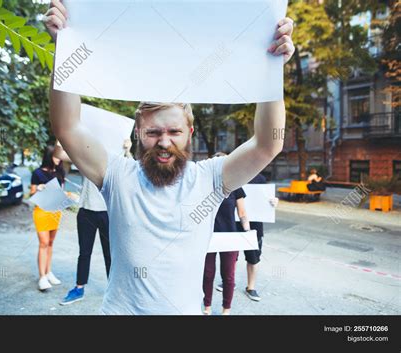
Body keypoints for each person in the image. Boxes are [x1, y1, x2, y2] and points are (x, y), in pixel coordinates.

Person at [45, 1, 295, 314]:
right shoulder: (116, 176)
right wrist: (64, 47)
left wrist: (272, 69)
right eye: (153, 133)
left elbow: (267, 145)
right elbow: (66, 126)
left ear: (189, 131)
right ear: (138, 132)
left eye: (174, 132)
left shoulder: (211, 178)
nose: (164, 143)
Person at [54, 140, 132, 305]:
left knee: (110, 254)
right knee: (84, 253)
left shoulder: (115, 161)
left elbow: (133, 170)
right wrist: (60, 139)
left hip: (107, 213)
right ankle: (79, 289)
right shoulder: (86, 159)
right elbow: (60, 154)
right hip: (86, 212)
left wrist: (127, 150)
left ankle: (115, 291)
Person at [202, 152, 250, 315]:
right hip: (208, 237)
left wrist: (248, 232)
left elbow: (242, 213)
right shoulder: (205, 185)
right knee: (207, 274)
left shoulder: (236, 187)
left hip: (230, 238)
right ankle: (207, 308)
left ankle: (226, 310)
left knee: (228, 276)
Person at [234, 173, 278, 302]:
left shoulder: (260, 178)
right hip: (234, 221)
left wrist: (274, 201)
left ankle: (251, 287)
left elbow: (267, 198)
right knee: (231, 255)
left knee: (253, 257)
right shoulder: (234, 175)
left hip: (255, 222)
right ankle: (229, 281)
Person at [30, 145, 66, 291]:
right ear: (48, 157)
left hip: (55, 211)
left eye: (60, 157)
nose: (58, 159)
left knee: (50, 243)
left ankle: (48, 271)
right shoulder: (37, 173)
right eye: (56, 156)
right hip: (41, 211)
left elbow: (61, 192)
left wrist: (68, 197)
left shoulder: (60, 172)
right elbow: (31, 195)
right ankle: (42, 277)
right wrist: (38, 188)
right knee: (43, 243)